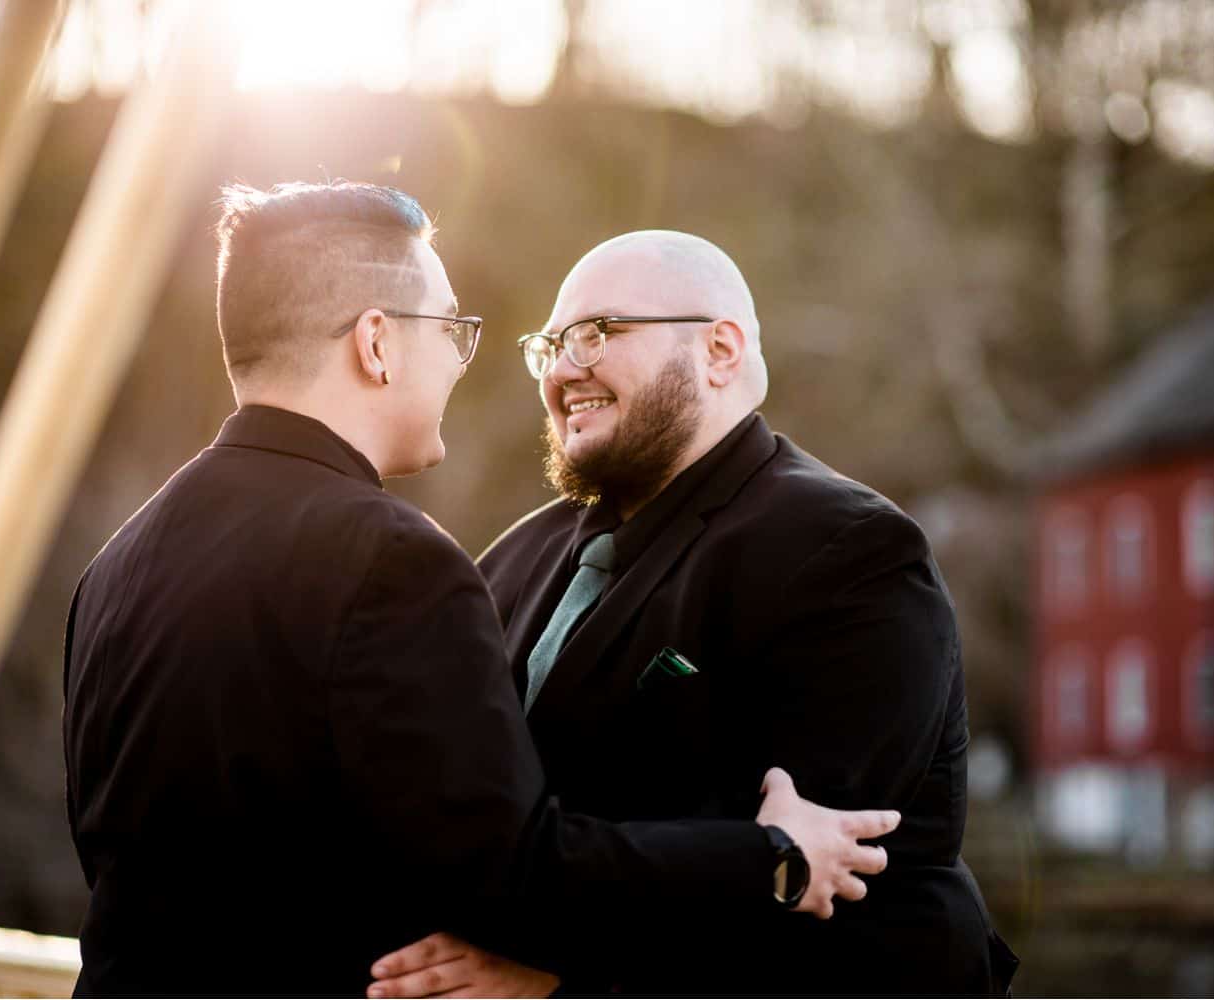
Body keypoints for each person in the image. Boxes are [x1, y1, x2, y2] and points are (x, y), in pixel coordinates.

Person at [62, 186, 900, 995]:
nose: (460, 363)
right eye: (450, 330)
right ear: (377, 343)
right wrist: (772, 860)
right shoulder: (389, 561)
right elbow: (513, 873)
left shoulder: (118, 564)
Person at [370, 231, 1019, 996]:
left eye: (597, 333)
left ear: (720, 351)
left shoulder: (850, 552)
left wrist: (554, 973)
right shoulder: (514, 560)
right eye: (550, 346)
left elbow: (811, 883)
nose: (563, 369)